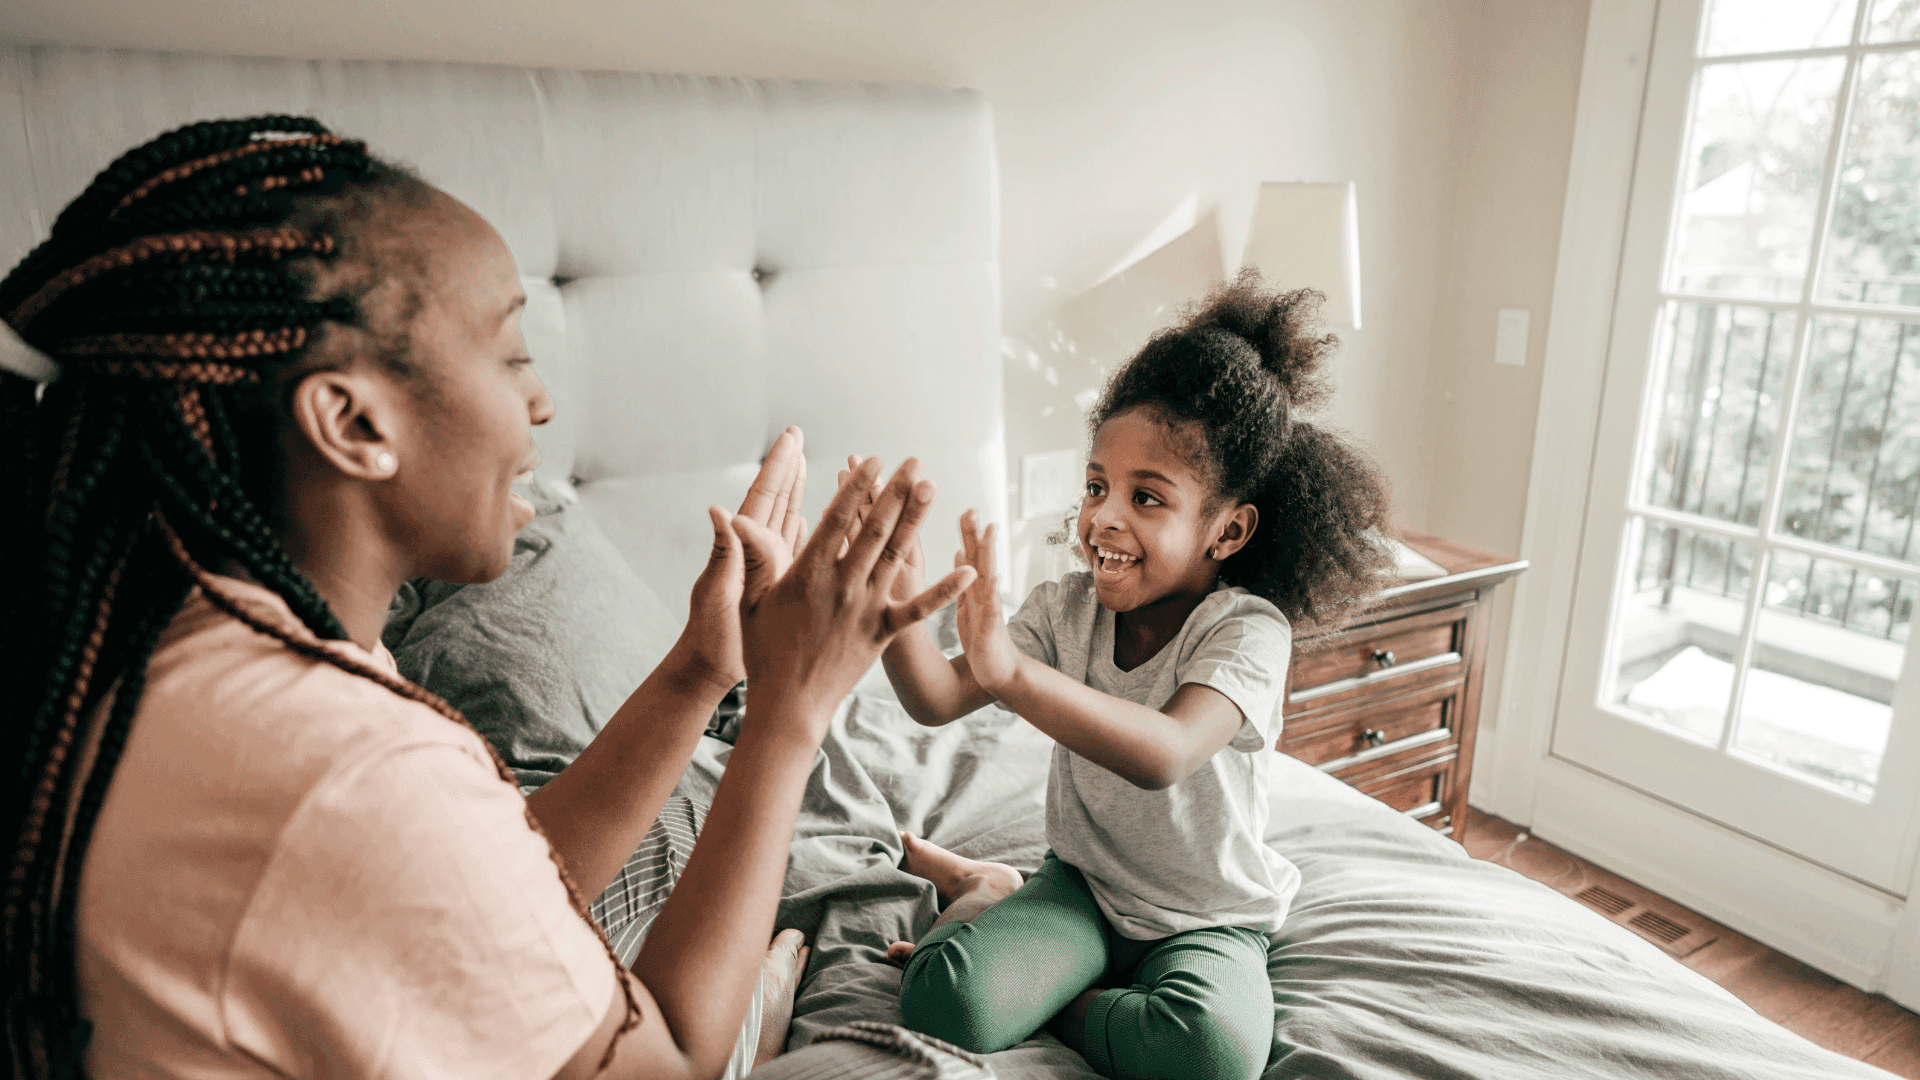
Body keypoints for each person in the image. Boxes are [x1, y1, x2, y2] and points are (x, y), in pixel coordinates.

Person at [0, 117, 977, 1080]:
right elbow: (663, 1069)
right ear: (352, 422)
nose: (543, 402)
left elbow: (490, 876)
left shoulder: (210, 644)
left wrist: (704, 667)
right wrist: (787, 715)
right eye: (512, 353)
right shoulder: (347, 766)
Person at [874, 273, 1393, 1080]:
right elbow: (935, 698)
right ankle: (989, 886)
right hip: (1080, 888)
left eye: (1146, 497)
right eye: (1095, 487)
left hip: (1207, 918)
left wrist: (1011, 675)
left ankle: (1057, 982)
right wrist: (891, 599)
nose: (1103, 519)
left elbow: (1167, 752)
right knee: (944, 1001)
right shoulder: (1063, 609)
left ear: (1228, 528)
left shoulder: (1247, 630)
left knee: (1212, 1055)